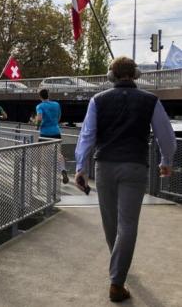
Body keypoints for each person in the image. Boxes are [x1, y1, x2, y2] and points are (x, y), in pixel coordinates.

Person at [74, 57, 176, 302]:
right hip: (135, 166)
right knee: (128, 224)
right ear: (137, 74)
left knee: (110, 222)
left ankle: (117, 272)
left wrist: (80, 167)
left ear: (111, 76)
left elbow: (87, 135)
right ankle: (117, 279)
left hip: (104, 167)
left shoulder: (97, 100)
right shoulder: (151, 101)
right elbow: (166, 136)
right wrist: (166, 162)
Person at [35, 89, 69, 184]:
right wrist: (54, 123)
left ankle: (46, 174)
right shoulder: (56, 104)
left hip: (45, 133)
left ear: (40, 96)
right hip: (56, 131)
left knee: (43, 154)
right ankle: (63, 170)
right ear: (48, 95)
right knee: (58, 153)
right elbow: (59, 116)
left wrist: (37, 126)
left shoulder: (40, 106)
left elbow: (39, 118)